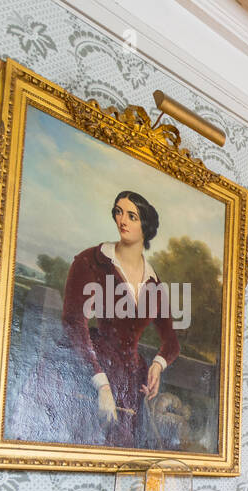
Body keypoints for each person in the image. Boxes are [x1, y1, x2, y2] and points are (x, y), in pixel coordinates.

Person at [60, 190, 180, 448]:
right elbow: (74, 323)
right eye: (118, 212)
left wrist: (158, 365)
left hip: (131, 380)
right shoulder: (92, 261)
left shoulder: (154, 284)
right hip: (91, 366)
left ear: (145, 227)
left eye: (131, 216)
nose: (122, 220)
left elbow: (171, 341)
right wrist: (101, 384)